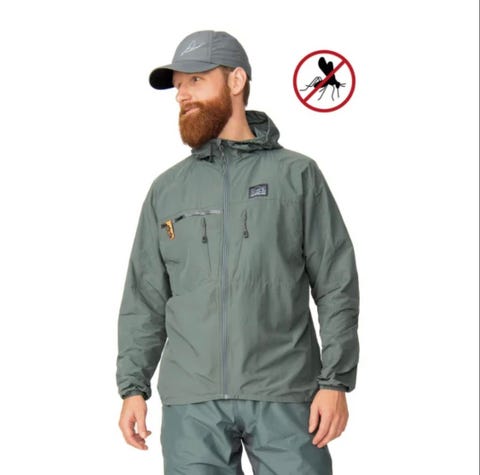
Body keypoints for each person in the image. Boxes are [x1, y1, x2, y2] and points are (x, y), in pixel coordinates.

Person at [116, 29, 360, 475]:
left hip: (286, 393)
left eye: (195, 80)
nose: (182, 95)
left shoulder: (297, 175)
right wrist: (133, 387)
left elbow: (336, 283)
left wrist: (336, 381)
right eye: (178, 85)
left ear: (235, 81)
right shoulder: (167, 190)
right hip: (193, 403)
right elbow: (145, 296)